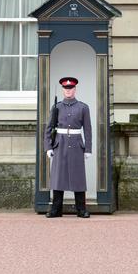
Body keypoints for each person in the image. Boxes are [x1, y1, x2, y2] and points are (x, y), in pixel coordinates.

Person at [45, 76, 93, 218]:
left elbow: (88, 130)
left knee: (78, 177)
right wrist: (48, 146)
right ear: (62, 90)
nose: (68, 90)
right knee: (58, 177)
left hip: (77, 145)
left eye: (70, 88)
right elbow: (49, 128)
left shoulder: (83, 107)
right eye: (66, 88)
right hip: (60, 143)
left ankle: (81, 209)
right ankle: (56, 209)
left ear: (75, 89)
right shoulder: (57, 107)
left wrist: (88, 149)